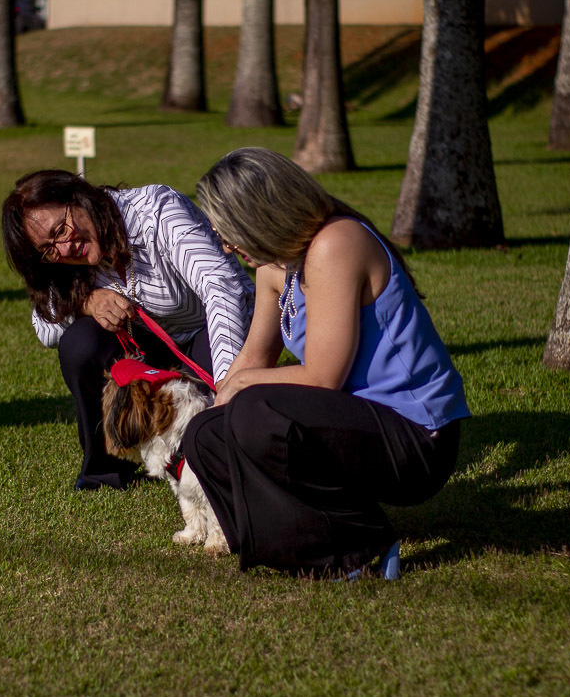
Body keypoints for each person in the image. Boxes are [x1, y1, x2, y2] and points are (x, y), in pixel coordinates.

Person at [183, 148, 470, 578]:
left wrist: (242, 388)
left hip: (417, 437)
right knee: (205, 433)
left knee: (254, 410)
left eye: (230, 230)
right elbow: (254, 357)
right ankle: (297, 545)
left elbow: (322, 377)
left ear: (261, 213)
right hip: (354, 422)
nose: (225, 244)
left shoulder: (336, 244)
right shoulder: (275, 266)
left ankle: (360, 544)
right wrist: (216, 400)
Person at [2, 169, 255, 491]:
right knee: (80, 343)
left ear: (80, 199)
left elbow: (221, 288)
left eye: (61, 230)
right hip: (149, 347)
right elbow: (45, 329)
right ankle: (107, 467)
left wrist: (226, 380)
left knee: (218, 413)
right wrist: (86, 302)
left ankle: (221, 450)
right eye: (49, 250)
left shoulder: (157, 209)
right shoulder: (64, 265)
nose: (64, 249)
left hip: (210, 328)